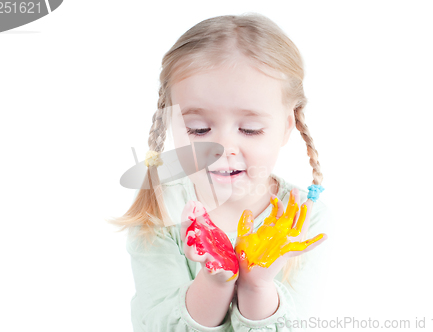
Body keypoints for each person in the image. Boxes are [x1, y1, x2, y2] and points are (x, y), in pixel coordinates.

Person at [107, 13, 334, 331]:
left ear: (287, 127)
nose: (223, 147)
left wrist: (257, 286)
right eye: (199, 129)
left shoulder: (304, 218)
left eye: (250, 129)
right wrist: (215, 281)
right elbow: (156, 324)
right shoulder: (162, 205)